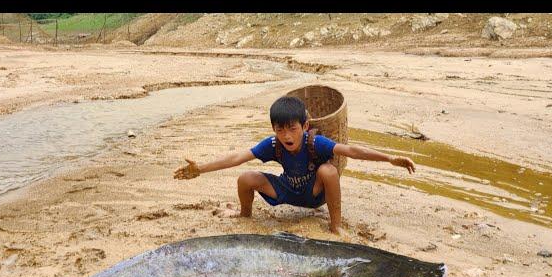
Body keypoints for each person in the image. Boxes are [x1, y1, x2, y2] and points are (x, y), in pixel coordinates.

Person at [173, 95, 415, 234]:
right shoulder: (272, 144)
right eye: (281, 129)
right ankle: (244, 214)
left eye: (292, 128)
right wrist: (201, 168)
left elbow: (350, 150)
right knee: (246, 178)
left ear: (305, 126)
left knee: (328, 170)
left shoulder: (315, 142)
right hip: (287, 189)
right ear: (274, 129)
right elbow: (238, 157)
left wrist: (389, 159)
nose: (287, 135)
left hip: (314, 193)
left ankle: (336, 227)